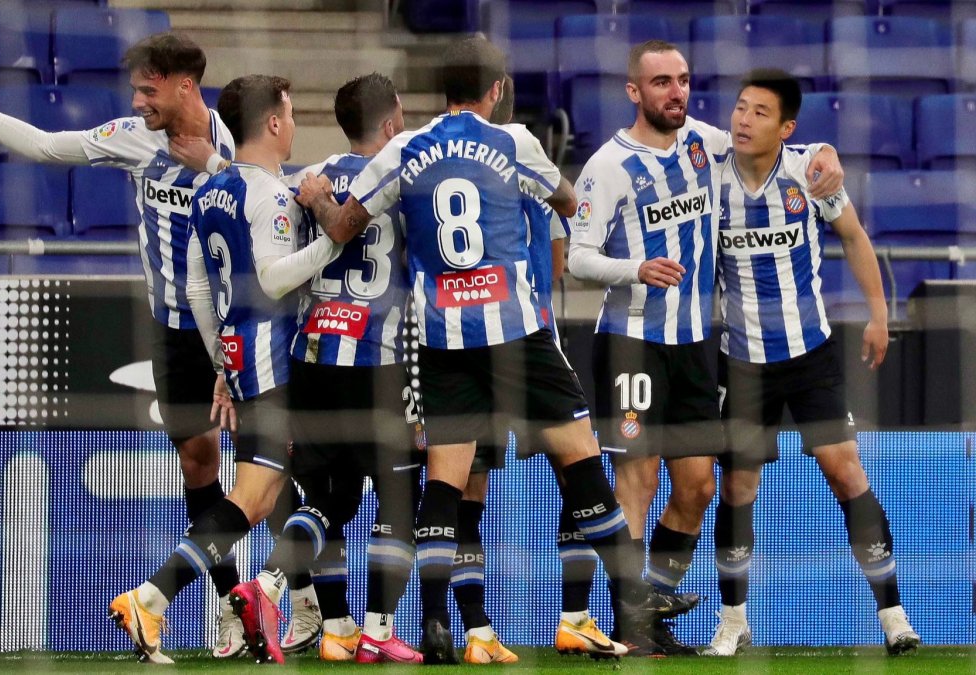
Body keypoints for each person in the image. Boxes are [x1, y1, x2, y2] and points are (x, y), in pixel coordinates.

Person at [299, 35, 665, 664]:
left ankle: (436, 623)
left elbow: (340, 228)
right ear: (497, 89)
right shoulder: (515, 142)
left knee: (444, 481)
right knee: (579, 461)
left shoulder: (402, 148)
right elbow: (571, 204)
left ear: (442, 90)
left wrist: (315, 197)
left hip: (440, 338)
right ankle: (632, 595)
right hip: (516, 333)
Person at [0, 34, 249, 659]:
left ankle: (301, 607)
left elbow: (271, 202)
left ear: (184, 87)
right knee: (201, 464)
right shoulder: (134, 139)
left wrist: (217, 172)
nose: (138, 100)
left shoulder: (236, 139)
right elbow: (43, 144)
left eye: (148, 89)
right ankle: (232, 608)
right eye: (137, 88)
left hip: (241, 330)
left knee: (261, 473)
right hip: (175, 331)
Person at [566, 39, 843, 654]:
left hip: (696, 347)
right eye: (661, 81)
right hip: (633, 343)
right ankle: (625, 628)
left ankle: (650, 610)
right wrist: (634, 269)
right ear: (635, 92)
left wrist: (826, 155)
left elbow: (778, 149)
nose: (676, 92)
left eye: (683, 80)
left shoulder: (705, 142)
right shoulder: (608, 166)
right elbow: (577, 257)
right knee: (635, 483)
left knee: (698, 488)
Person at [106, 74, 344, 665]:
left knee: (260, 499)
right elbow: (272, 277)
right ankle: (154, 598)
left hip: (237, 355)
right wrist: (333, 243)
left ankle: (288, 610)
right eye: (289, 113)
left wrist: (219, 360)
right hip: (273, 361)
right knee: (262, 497)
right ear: (272, 123)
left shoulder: (209, 190)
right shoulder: (272, 197)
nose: (292, 124)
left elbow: (193, 287)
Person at [704, 69, 920, 658]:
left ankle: (894, 617)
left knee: (845, 471)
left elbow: (852, 235)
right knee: (739, 488)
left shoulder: (810, 171)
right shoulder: (711, 173)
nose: (743, 120)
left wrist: (878, 314)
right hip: (742, 361)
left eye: (759, 112)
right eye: (740, 108)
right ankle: (733, 621)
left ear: (787, 127)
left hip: (810, 354)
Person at [227, 72, 426, 664]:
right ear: (390, 121)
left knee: (328, 499)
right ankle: (375, 628)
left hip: (314, 356)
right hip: (379, 360)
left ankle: (315, 615)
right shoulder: (407, 180)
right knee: (396, 498)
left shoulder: (307, 180)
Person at [448, 75, 622, 662]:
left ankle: (474, 627)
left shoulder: (450, 171)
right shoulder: (534, 174)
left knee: (469, 483)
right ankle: (578, 614)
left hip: (466, 339)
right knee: (577, 467)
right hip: (529, 338)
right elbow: (558, 263)